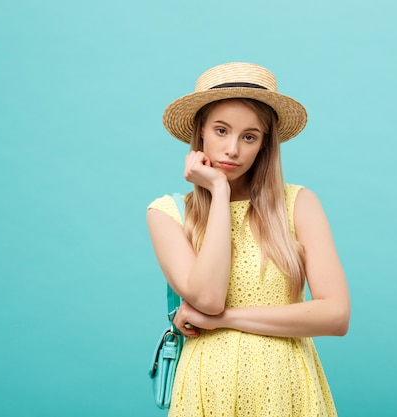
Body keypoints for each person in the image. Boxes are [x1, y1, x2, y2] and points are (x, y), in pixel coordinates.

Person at [147, 62, 350, 416]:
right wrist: (219, 192)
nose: (232, 150)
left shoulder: (298, 203)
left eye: (249, 137)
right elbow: (208, 298)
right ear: (200, 133)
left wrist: (226, 320)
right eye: (221, 130)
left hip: (287, 386)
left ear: (263, 146)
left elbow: (335, 315)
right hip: (207, 388)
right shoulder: (167, 214)